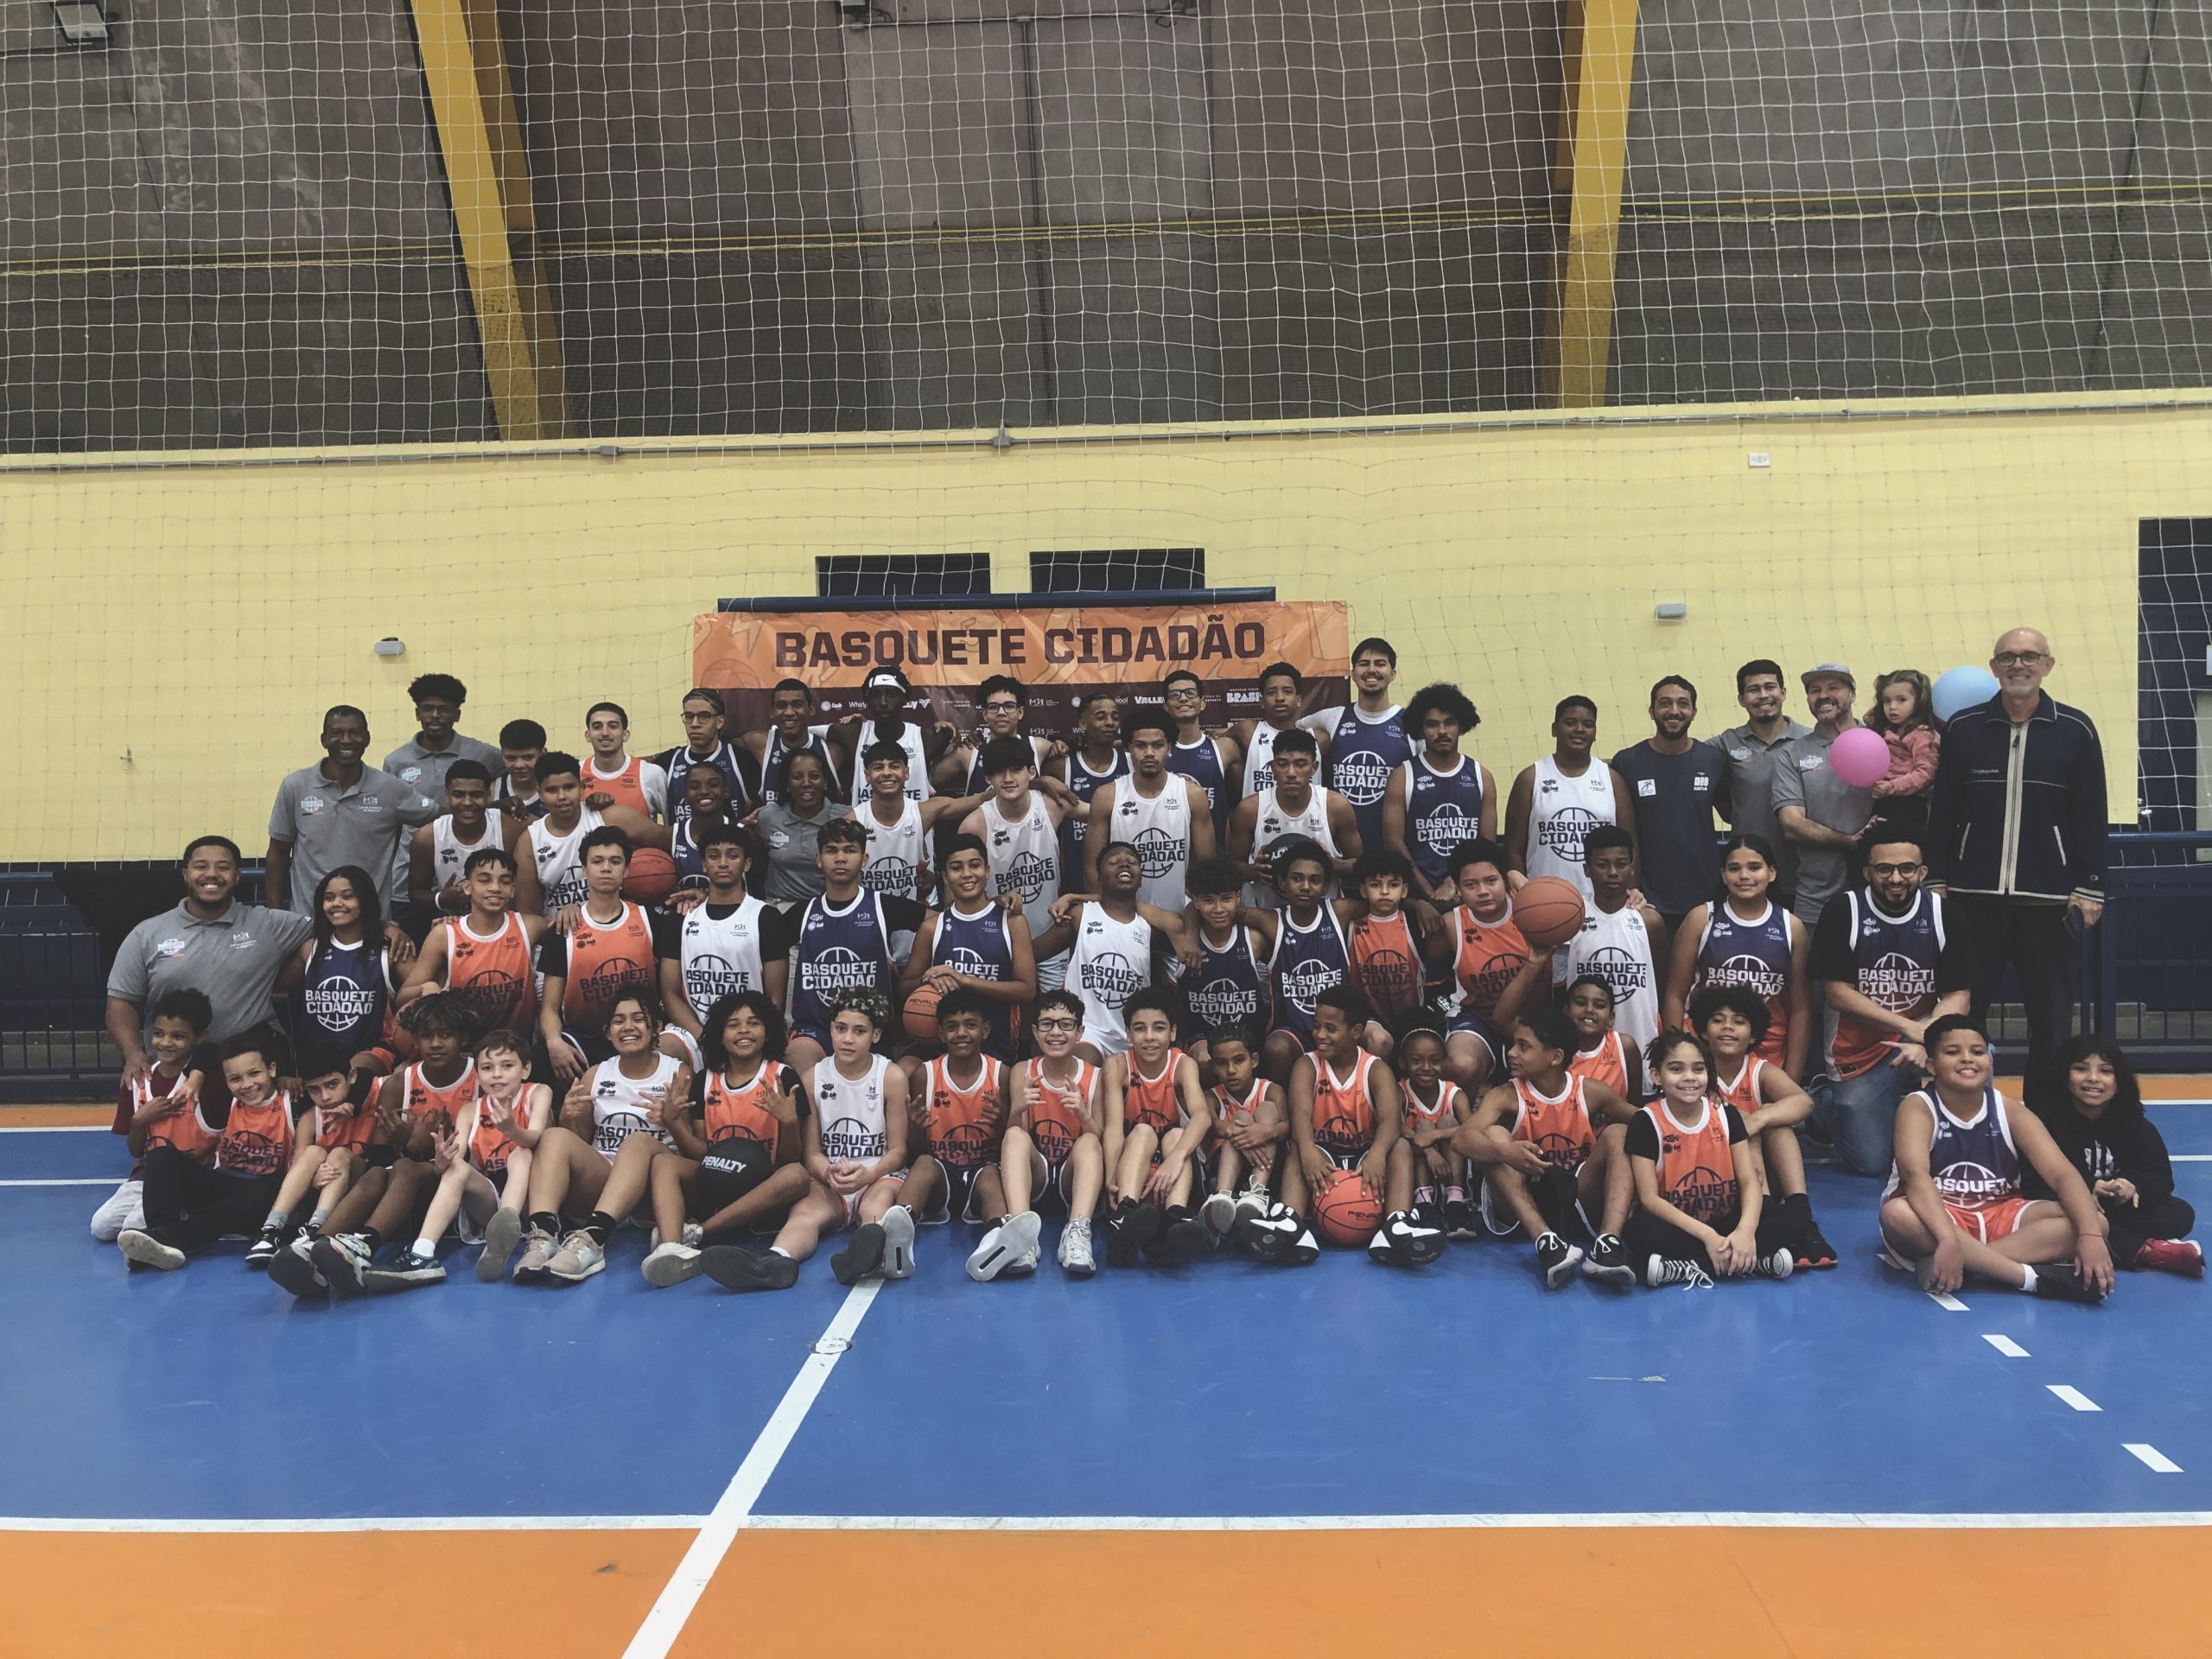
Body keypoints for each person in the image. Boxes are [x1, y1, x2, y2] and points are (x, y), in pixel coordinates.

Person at [1925, 627, 2107, 1075]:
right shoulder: (1964, 728)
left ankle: (2046, 1114)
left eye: (2029, 656)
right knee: (1963, 1019)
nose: (2018, 665)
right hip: (1971, 901)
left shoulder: (2076, 729)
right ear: (1994, 666)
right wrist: (1938, 880)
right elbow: (1944, 811)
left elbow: (2091, 815)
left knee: (2051, 1021)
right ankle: (1963, 1107)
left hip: (2049, 903)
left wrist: (2090, 887)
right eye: (2007, 657)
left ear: (2048, 665)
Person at [1878, 1014, 2113, 1302]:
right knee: (1897, 1214)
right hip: (1940, 1213)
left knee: (2096, 1222)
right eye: (1953, 1052)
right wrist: (1948, 1237)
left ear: (1989, 1061)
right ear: (1931, 1065)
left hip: (2001, 1212)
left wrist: (2090, 1237)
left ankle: (1970, 1264)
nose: (1967, 1059)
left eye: (1977, 1051)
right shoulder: (1918, 1106)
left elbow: (2062, 1173)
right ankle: (2028, 1278)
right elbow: (1915, 1177)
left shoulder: (2009, 1109)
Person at [1808, 824, 1976, 1176]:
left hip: (1923, 1035)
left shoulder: (1946, 914)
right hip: (1860, 1051)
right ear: (1867, 872)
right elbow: (1838, 994)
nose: (1896, 878)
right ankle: (1824, 1102)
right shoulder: (1843, 911)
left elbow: (1958, 995)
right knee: (1871, 1163)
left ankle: (1966, 1139)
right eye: (1884, 869)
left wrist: (1927, 1039)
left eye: (1906, 869)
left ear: (1922, 872)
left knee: (1978, 1053)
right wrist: (1913, 1030)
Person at [106, 837, 329, 1079]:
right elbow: (121, 1002)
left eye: (223, 867)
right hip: (174, 1070)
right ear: (185, 874)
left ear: (237, 876)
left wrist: (301, 960)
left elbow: (335, 926)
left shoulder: (269, 924)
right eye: (201, 866)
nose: (212, 874)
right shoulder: (146, 934)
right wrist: (133, 1054)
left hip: (250, 1074)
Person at [508, 989, 690, 1284]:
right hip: (603, 1183)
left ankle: (592, 1240)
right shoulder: (596, 1074)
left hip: (651, 1191)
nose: (628, 1027)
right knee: (553, 1136)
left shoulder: (678, 1073)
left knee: (637, 1141)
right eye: (618, 1021)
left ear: (656, 1027)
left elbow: (693, 1151)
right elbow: (579, 1142)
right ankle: (543, 1238)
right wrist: (569, 1117)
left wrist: (673, 1121)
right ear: (607, 1032)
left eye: (638, 1019)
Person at [635, 991, 813, 1288]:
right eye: (733, 1025)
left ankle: (699, 1234)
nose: (743, 1030)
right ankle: (671, 1247)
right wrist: (673, 1123)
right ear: (719, 1035)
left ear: (768, 1032)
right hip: (714, 1184)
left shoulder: (784, 1077)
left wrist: (790, 1122)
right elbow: (700, 1154)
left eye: (753, 1023)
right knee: (665, 1162)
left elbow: (792, 1159)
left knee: (797, 1175)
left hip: (763, 1192)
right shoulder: (705, 1080)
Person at [1455, 1008, 1637, 1287]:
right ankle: (1547, 1244)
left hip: (1576, 1196)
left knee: (1619, 1133)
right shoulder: (1505, 1095)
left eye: (1524, 1046)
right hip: (1524, 1199)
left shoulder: (1590, 1091)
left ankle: (1607, 1245)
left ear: (1555, 1057)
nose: (1511, 1053)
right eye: (1513, 1044)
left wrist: (1692, 1106)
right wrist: (1505, 1152)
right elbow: (1461, 1139)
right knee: (1494, 1135)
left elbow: (1649, 1122)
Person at [1272, 985, 1442, 1267]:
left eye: (1330, 1029)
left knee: (1400, 1147)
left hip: (1365, 1159)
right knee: (1298, 1148)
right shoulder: (1307, 1065)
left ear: (1355, 1031)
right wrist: (1308, 1151)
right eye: (1316, 1026)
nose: (1320, 1035)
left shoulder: (1375, 1069)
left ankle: (1396, 1223)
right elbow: (1299, 1114)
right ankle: (1290, 1221)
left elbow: (1391, 1121)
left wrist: (1377, 1154)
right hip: (1324, 1158)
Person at [1624, 1029, 1796, 1287]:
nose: (1689, 1077)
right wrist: (1709, 1237)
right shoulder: (1645, 1121)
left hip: (1725, 1220)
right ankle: (1750, 1262)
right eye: (1676, 1069)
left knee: (1788, 1219)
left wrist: (1745, 1232)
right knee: (1637, 1231)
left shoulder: (1726, 1114)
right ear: (1656, 1076)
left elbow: (1749, 1182)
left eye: (1698, 1069)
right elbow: (1649, 1199)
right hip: (1680, 1226)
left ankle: (1688, 1266)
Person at [116, 1031, 300, 1271]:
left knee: (266, 1189)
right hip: (220, 1186)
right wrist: (196, 1078)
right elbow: (208, 1050)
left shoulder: (292, 1101)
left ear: (272, 1069)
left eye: (255, 1073)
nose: (246, 1085)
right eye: (236, 1079)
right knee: (161, 1155)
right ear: (225, 1081)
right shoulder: (227, 1099)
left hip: (262, 1201)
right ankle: (160, 1236)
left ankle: (171, 1238)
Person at [2031, 1035, 2201, 1276]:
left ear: (2118, 1081)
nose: (2093, 1078)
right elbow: (2032, 1182)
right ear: (2064, 1077)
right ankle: (2148, 1252)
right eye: (2080, 1069)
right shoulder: (2043, 1123)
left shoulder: (2134, 1124)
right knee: (2060, 1222)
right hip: (2064, 1206)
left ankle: (2103, 1244)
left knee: (2180, 1215)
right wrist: (2089, 1187)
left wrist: (2132, 1183)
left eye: (2106, 1071)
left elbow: (2160, 1177)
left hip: (2114, 1209)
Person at [1691, 985, 1835, 1268]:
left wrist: (1758, 1119)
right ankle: (1768, 1216)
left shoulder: (1759, 1069)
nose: (1728, 1027)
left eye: (1739, 1021)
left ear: (1754, 1035)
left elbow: (1804, 1102)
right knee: (1745, 1127)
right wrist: (1742, 1123)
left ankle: (1801, 1215)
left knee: (1774, 1122)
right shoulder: (1694, 1071)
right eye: (1718, 1020)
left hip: (1758, 1176)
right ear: (1704, 1032)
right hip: (1711, 1177)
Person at [898, 989, 1027, 1281]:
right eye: (952, 1026)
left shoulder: (1001, 1074)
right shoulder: (924, 1075)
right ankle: (898, 1230)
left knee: (991, 1175)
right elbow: (916, 1152)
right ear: (941, 1033)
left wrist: (999, 1123)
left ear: (986, 1029)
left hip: (982, 1174)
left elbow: (1007, 1145)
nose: (961, 1033)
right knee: (923, 1165)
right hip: (941, 1176)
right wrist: (916, 1128)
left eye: (970, 1025)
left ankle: (996, 1237)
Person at [537, 828, 679, 1083]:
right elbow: (549, 1007)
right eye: (597, 861)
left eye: (615, 861)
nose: (606, 868)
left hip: (640, 1032)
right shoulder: (564, 930)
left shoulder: (650, 921)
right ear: (584, 869)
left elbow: (670, 990)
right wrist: (554, 1041)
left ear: (627, 870)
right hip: (587, 1037)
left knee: (677, 1046)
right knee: (543, 1057)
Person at [786, 818, 927, 1077]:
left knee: (881, 1083)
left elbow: (940, 923)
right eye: (831, 850)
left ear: (864, 859)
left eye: (849, 850)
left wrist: (914, 972)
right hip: (815, 1029)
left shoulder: (883, 907)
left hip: (869, 1029)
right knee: (802, 1069)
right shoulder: (803, 913)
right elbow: (758, 939)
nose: (840, 858)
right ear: (819, 859)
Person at [266, 705, 441, 913]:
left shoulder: (390, 788)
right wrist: (273, 915)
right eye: (337, 733)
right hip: (308, 921)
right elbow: (278, 853)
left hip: (370, 922)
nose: (346, 740)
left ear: (367, 738)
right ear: (323, 740)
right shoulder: (295, 786)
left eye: (355, 732)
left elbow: (444, 819)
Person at [1663, 832, 1808, 1081]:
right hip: (1703, 1050)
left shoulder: (1791, 927)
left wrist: (1792, 1077)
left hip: (1768, 1051)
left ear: (1772, 873)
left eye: (1754, 867)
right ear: (1723, 875)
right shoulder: (1701, 918)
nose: (1744, 875)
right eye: (1734, 868)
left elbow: (1800, 1009)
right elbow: (1675, 995)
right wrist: (1676, 1054)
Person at [986, 988, 1108, 1276]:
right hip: (1036, 1177)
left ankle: (1077, 1230)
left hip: (1071, 1179)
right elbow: (1015, 1137)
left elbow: (1102, 1138)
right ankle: (1022, 1234)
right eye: (1047, 1024)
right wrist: (1017, 1111)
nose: (1055, 1032)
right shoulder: (1023, 1071)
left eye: (1065, 1024)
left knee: (1090, 1141)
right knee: (1014, 1136)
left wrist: (1082, 1114)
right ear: (1035, 1032)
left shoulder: (1095, 1075)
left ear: (1079, 1033)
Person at [416, 1027, 552, 1284]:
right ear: (478, 1075)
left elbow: (535, 1137)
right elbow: (453, 1164)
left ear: (525, 1069)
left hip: (533, 1197)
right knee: (457, 1168)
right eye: (487, 1068)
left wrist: (512, 1130)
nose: (497, 1074)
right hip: (490, 1197)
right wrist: (442, 1162)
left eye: (507, 1066)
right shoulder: (470, 1110)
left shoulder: (538, 1092)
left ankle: (503, 1232)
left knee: (521, 1153)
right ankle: (421, 1252)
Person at [898, 832, 1037, 1062]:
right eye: (956, 868)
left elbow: (1027, 990)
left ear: (988, 870)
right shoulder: (932, 928)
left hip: (996, 1049)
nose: (966, 874)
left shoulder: (1012, 921)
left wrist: (965, 980)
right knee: (905, 1069)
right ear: (945, 876)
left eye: (974, 865)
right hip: (941, 1047)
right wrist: (929, 979)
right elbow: (904, 989)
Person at [1100, 987, 1213, 1264]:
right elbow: (1113, 1128)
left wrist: (1175, 1158)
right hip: (1133, 1172)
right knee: (1142, 1131)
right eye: (1140, 1028)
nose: (1149, 1037)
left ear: (1173, 1033)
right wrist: (1111, 1178)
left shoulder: (1183, 1064)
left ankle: (1176, 1217)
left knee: (1177, 1135)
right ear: (1128, 1033)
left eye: (1159, 1028)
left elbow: (1202, 1116)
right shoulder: (1117, 1065)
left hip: (1173, 1174)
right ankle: (1125, 1214)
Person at [92, 988, 215, 1244]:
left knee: (134, 1227)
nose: (165, 1042)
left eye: (178, 1036)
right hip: (146, 1177)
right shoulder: (137, 1079)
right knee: (101, 1227)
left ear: (199, 1036)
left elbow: (218, 1051)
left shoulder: (205, 1081)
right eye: (158, 1033)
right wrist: (139, 1121)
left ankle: (185, 1211)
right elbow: (136, 1151)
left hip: (190, 1178)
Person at [1609, 676, 1729, 933]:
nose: (1674, 710)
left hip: (1705, 895)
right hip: (1646, 899)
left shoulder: (1713, 760)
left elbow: (1733, 813)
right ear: (1651, 711)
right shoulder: (1627, 762)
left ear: (1694, 712)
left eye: (1683, 703)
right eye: (1665, 703)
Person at [1429, 837, 1546, 1097]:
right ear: (1458, 889)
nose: (1482, 891)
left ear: (1505, 880)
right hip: (1478, 1018)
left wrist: (1517, 876)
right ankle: (1461, 1116)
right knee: (1462, 1065)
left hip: (1535, 1019)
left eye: (1491, 881)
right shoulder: (1451, 925)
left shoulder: (1531, 907)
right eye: (1471, 885)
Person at [658, 823, 790, 1046]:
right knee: (662, 1050)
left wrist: (752, 1036)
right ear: (703, 864)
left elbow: (775, 999)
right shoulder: (681, 918)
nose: (723, 863)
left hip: (748, 1033)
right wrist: (706, 1039)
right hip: (694, 1032)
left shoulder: (766, 917)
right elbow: (670, 994)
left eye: (733, 855)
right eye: (713, 856)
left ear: (747, 864)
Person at [244, 1045, 372, 1268]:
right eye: (314, 1090)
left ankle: (319, 1230)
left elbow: (369, 1073)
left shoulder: (371, 1098)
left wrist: (352, 1103)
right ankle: (271, 1230)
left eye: (332, 1085)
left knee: (339, 1154)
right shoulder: (310, 1118)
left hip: (361, 1188)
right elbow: (297, 1165)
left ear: (351, 1077)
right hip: (323, 1191)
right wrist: (313, 1179)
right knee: (314, 1152)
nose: (325, 1096)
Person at [397, 847, 547, 1036]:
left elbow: (568, 932)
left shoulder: (530, 926)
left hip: (516, 1047)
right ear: (467, 887)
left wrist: (568, 911)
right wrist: (425, 988)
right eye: (485, 880)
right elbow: (402, 997)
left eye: (504, 881)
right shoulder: (444, 934)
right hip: (463, 1048)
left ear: (512, 890)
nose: (495, 888)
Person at [1771, 664, 1875, 928]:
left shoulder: (1881, 740)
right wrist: (1849, 841)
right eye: (1815, 690)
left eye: (1833, 688)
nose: (1823, 695)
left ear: (1853, 694)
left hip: (1880, 892)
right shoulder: (1792, 753)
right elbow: (1791, 824)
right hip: (1816, 895)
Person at [1083, 707, 1212, 912]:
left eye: (1158, 745)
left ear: (1169, 748)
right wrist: (1106, 918)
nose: (1149, 753)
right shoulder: (1107, 796)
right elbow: (1092, 868)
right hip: (1124, 917)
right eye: (1141, 745)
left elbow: (1207, 866)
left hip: (1179, 915)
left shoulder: (1192, 795)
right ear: (1129, 748)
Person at [1505, 696, 1635, 900]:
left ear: (1595, 733)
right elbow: (1513, 849)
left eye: (1588, 724)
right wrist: (1525, 894)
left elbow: (1631, 844)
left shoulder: (1612, 780)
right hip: (1544, 900)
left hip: (1602, 903)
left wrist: (1631, 891)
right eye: (1570, 723)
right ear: (1554, 729)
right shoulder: (1531, 778)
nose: (1579, 729)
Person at [282, 866, 402, 1086]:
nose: (336, 903)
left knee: (347, 1079)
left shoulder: (389, 950)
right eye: (329, 898)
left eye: (347, 896)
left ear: (365, 901)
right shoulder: (310, 949)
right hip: (315, 1057)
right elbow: (272, 987)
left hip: (372, 1050)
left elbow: (422, 991)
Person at [1381, 681, 1495, 906]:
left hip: (1468, 897)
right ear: (1421, 730)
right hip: (1419, 901)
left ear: (1461, 726)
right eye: (1432, 724)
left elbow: (1487, 846)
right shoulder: (1402, 776)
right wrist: (1429, 896)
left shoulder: (1482, 776)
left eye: (1449, 723)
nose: (1442, 731)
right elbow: (1394, 844)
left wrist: (1454, 882)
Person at [1553, 824, 1664, 1053]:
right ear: (1587, 869)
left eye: (1621, 864)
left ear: (1632, 868)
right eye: (1602, 865)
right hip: (1584, 1045)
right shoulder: (1571, 917)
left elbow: (1660, 982)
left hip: (1640, 1038)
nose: (1612, 872)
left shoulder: (1649, 920)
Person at [1227, 726, 1360, 907]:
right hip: (1267, 913)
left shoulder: (1336, 806)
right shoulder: (1251, 809)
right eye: (1283, 764)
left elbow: (1360, 866)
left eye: (1300, 764)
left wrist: (1331, 864)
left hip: (1323, 914)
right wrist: (1254, 871)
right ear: (1273, 767)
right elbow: (1233, 867)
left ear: (1314, 767)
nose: (1291, 773)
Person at [523, 751, 669, 915]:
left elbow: (673, 840)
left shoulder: (613, 816)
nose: (562, 796)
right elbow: (529, 915)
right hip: (560, 928)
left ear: (581, 787)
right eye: (552, 790)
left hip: (617, 923)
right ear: (540, 793)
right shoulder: (530, 841)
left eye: (569, 787)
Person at [1717, 660, 1811, 911]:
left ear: (1783, 692)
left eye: (1770, 687)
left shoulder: (1810, 740)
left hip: (1804, 879)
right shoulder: (1725, 744)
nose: (1763, 695)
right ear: (1741, 699)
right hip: (1748, 879)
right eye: (1753, 689)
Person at [1305, 636, 1414, 851]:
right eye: (1364, 664)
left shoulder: (1411, 724)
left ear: (1392, 674)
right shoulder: (1333, 718)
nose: (1371, 670)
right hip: (1339, 852)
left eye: (1380, 664)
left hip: (1391, 852)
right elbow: (1286, 731)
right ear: (1353, 674)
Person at [1196, 1021, 1287, 1249]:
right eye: (1221, 1063)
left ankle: (1256, 1195)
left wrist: (1266, 1131)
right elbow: (1210, 1124)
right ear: (1212, 1066)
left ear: (1254, 1060)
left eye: (1239, 1060)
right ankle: (1221, 1199)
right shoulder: (1210, 1096)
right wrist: (1244, 1133)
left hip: (1266, 1167)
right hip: (1224, 1169)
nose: (1231, 1070)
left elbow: (1287, 1128)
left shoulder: (1271, 1090)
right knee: (1242, 1118)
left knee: (1267, 1110)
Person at [853, 741, 983, 899]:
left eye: (894, 766)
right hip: (866, 914)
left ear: (906, 772)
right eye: (878, 767)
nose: (886, 773)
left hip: (911, 911)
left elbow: (979, 799)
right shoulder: (852, 822)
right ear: (867, 775)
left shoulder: (923, 812)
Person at [408, 760, 534, 921]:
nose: (467, 803)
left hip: (508, 924)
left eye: (476, 795)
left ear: (488, 795)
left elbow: (549, 828)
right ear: (447, 795)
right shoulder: (428, 838)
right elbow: (416, 892)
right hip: (456, 926)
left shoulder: (509, 827)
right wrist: (441, 899)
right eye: (458, 795)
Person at [1344, 848, 1433, 1050]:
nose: (1384, 891)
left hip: (1411, 1018)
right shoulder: (1348, 925)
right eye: (1375, 885)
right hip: (1368, 1018)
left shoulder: (1415, 924)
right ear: (1363, 890)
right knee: (1379, 1040)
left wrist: (1420, 904)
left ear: (1404, 890)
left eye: (1393, 885)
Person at [830, 665, 955, 806]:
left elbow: (956, 743)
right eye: (876, 695)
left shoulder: (928, 738)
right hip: (864, 820)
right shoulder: (852, 735)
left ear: (905, 698)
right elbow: (809, 736)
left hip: (915, 820)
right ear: (866, 700)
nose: (883, 702)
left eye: (891, 695)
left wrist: (953, 733)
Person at [1395, 1021, 1471, 1238]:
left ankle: (1455, 1203)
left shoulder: (1453, 1093)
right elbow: (1393, 1125)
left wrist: (1435, 1136)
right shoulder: (1400, 1091)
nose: (1426, 1067)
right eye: (1417, 1060)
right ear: (1403, 1062)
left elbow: (1472, 1130)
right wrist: (1429, 1150)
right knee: (1422, 1125)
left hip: (1450, 1169)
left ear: (1444, 1062)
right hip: (1419, 1166)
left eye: (1435, 1061)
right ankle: (1423, 1203)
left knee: (1447, 1122)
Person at [753, 747, 855, 903]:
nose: (806, 783)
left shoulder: (846, 817)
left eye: (814, 776)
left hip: (828, 906)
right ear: (787, 784)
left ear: (825, 783)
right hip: (780, 906)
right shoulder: (768, 817)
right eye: (797, 777)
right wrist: (741, 824)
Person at [382, 674, 505, 800]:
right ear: (418, 714)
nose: (435, 715)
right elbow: (387, 805)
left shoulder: (483, 754)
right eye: (428, 708)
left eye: (444, 709)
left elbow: (515, 771)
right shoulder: (395, 762)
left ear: (457, 715)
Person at [658, 687, 753, 836]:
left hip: (728, 846)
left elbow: (761, 809)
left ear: (720, 721)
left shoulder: (740, 759)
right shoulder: (668, 762)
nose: (695, 723)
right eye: (689, 716)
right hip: (681, 849)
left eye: (704, 716)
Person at [1058, 692, 1129, 889]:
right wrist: (1045, 781)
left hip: (1125, 880)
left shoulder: (1132, 762)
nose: (1110, 722)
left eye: (1115, 717)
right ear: (1083, 724)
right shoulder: (1062, 765)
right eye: (1101, 717)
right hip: (1076, 881)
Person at [741, 678, 846, 808]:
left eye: (797, 705)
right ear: (772, 711)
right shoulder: (760, 744)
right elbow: (723, 738)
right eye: (781, 706)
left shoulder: (833, 752)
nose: (789, 712)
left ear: (811, 709)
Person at [1162, 667, 1239, 845]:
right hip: (1169, 850)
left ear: (1203, 703)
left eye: (1190, 693)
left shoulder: (1225, 748)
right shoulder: (1154, 751)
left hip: (1214, 852)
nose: (1183, 698)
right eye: (1175, 694)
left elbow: (1241, 798)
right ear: (1165, 706)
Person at [1231, 661, 1323, 799]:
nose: (1280, 698)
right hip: (1258, 812)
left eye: (1287, 691)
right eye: (1272, 692)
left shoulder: (1319, 738)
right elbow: (1216, 736)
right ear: (1262, 702)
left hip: (1309, 813)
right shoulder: (1247, 731)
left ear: (1298, 700)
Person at [1866, 669, 1939, 827]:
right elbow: (1869, 718)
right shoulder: (1888, 730)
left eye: (1901, 700)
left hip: (1909, 802)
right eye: (1886, 701)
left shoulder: (1922, 735)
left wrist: (1892, 786)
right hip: (1884, 798)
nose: (1892, 707)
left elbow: (1926, 773)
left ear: (1918, 702)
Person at [582, 701, 670, 821]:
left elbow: (672, 826)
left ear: (625, 735)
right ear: (588, 735)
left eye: (613, 726)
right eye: (597, 727)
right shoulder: (576, 773)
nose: (605, 733)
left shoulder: (651, 774)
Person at [1565, 975, 1643, 1103]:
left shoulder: (1624, 1047)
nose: (1589, 1010)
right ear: (1566, 1012)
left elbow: (1635, 1106)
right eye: (1580, 1003)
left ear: (1611, 1019)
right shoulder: (1553, 1050)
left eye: (1599, 1005)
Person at [667, 760, 743, 893]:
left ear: (726, 792)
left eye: (713, 785)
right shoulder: (672, 836)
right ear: (686, 796)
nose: (704, 791)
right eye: (694, 787)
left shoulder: (745, 835)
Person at [493, 718, 550, 822]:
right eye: (511, 758)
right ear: (502, 756)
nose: (519, 765)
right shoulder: (494, 790)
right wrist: (493, 806)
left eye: (528, 757)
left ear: (543, 754)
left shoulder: (558, 788)